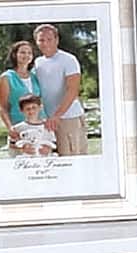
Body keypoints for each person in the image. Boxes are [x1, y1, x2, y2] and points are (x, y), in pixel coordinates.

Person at [32, 24, 88, 156]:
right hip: (47, 121)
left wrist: (57, 115)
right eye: (41, 40)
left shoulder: (68, 60)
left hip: (68, 118)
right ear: (36, 42)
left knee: (72, 160)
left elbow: (72, 91)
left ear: (57, 40)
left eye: (49, 39)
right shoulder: (38, 62)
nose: (45, 43)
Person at [0, 40, 44, 145]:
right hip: (19, 126)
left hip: (39, 127)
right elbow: (2, 107)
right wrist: (10, 128)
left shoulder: (34, 76)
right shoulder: (7, 77)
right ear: (15, 55)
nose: (26, 55)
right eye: (22, 52)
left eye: (29, 53)